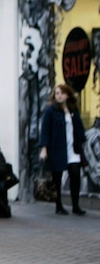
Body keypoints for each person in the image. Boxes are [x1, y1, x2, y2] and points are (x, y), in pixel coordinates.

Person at [39, 83, 87, 215]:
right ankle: (58, 205)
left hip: (73, 149)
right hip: (57, 148)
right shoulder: (50, 111)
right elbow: (45, 130)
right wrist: (44, 148)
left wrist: (82, 142)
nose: (59, 96)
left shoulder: (73, 110)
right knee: (57, 178)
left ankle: (76, 205)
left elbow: (79, 128)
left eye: (61, 93)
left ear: (67, 95)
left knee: (75, 174)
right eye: (57, 93)